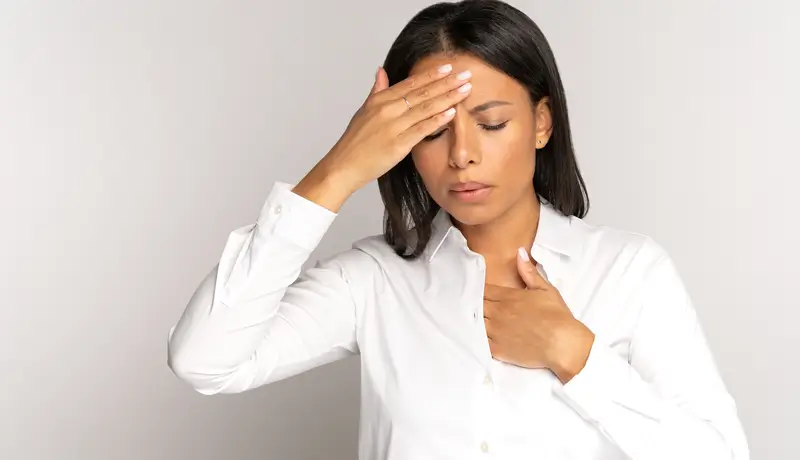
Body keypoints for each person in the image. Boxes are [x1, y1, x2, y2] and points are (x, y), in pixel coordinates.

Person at [167, 0, 749, 458]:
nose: (461, 154)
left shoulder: (628, 272)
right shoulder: (374, 280)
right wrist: (336, 171)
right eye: (431, 130)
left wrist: (574, 353)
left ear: (541, 123)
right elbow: (204, 361)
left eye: (491, 123)